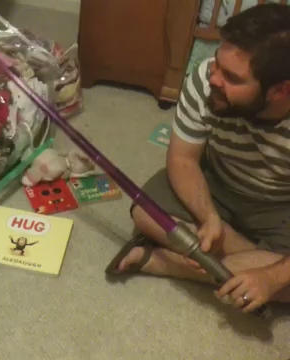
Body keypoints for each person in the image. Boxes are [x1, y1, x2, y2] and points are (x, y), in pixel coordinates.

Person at [106, 3, 290, 315]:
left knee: (278, 279)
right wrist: (208, 217)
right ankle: (250, 262)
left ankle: (166, 263)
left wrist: (272, 277)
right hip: (216, 182)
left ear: (280, 90)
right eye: (217, 64)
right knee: (145, 212)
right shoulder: (208, 76)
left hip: (279, 206)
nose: (214, 78)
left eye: (232, 77)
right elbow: (183, 159)